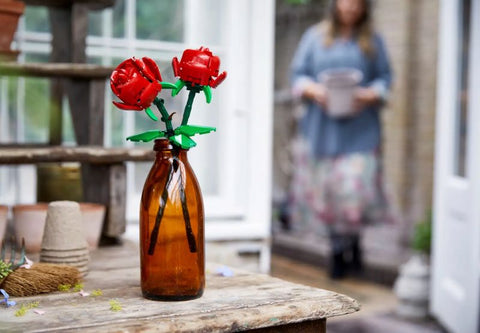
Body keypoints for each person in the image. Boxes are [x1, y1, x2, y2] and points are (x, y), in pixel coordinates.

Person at [289, 0, 393, 279]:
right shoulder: (314, 37)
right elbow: (297, 77)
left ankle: (354, 243)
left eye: (358, 3)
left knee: (354, 192)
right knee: (331, 193)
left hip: (360, 131)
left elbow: (385, 79)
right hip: (323, 130)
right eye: (347, 1)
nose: (352, 8)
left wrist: (368, 95)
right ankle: (337, 250)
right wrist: (314, 91)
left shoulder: (373, 40)